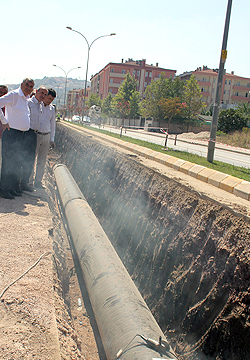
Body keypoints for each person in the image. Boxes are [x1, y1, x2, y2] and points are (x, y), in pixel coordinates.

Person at [0, 78, 34, 199]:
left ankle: (13, 188)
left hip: (21, 135)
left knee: (17, 162)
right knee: (8, 162)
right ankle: (4, 190)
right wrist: (4, 121)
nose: (28, 88)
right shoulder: (14, 95)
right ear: (22, 85)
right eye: (27, 85)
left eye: (31, 86)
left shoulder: (25, 99)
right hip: (12, 134)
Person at [21, 86, 48, 189]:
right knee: (23, 158)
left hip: (34, 134)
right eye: (41, 93)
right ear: (36, 92)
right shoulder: (29, 103)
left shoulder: (40, 105)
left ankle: (25, 183)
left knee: (30, 159)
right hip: (27, 133)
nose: (43, 96)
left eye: (45, 94)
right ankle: (20, 182)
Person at [31, 88, 56, 188]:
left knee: (42, 160)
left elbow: (53, 124)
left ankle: (38, 181)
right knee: (32, 159)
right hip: (36, 135)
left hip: (46, 136)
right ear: (44, 96)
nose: (50, 101)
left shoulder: (52, 109)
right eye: (49, 98)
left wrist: (52, 139)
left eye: (52, 99)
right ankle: (29, 181)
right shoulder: (37, 105)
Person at [0, 85, 8, 176]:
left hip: (5, 138)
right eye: (0, 92)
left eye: (4, 93)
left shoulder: (8, 108)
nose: (2, 94)